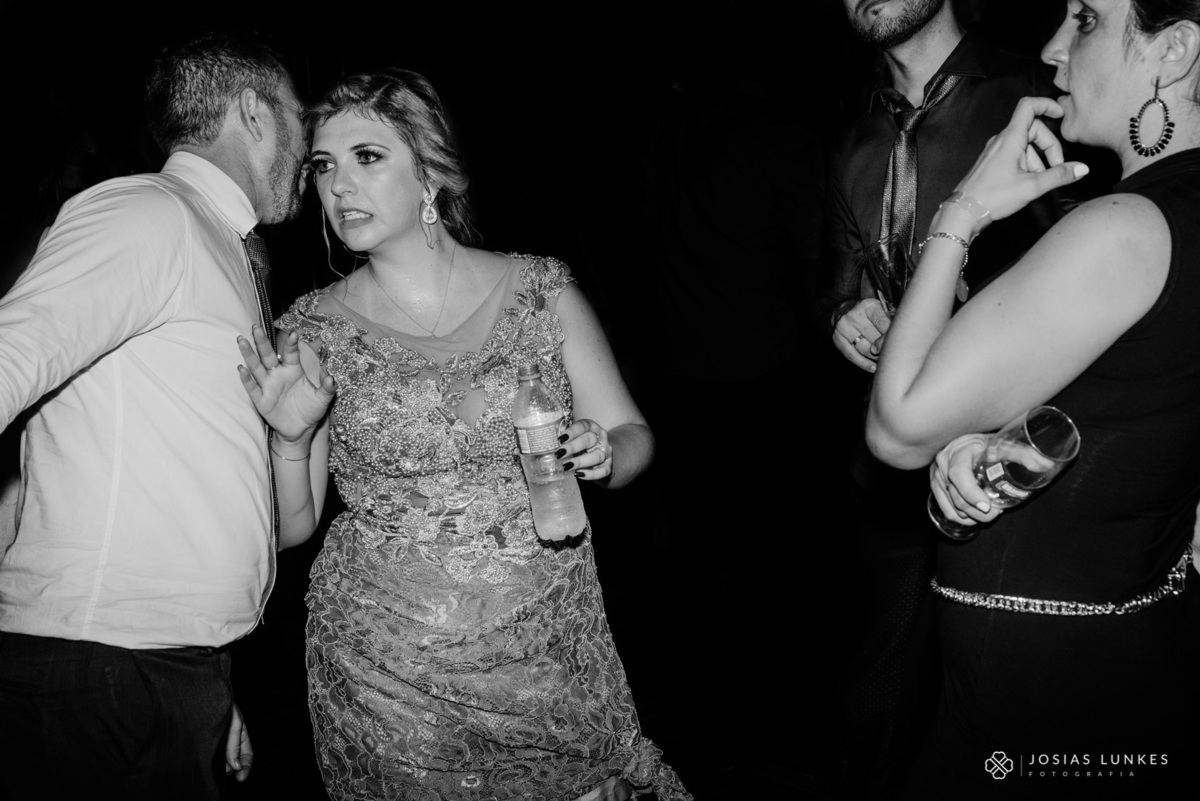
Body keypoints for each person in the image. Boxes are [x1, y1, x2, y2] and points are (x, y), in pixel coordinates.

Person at [236, 69, 690, 801]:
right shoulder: (311, 329)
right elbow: (291, 527)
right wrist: (290, 440)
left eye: (367, 157)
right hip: (387, 671)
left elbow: (632, 431)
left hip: (543, 650)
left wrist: (606, 453)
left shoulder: (540, 289)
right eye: (323, 166)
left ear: (431, 172)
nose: (338, 186)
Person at [867, 0, 1200, 796]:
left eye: (1086, 19)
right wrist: (989, 438)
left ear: (1174, 50)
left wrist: (967, 208)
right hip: (1134, 648)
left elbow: (899, 425)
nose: (1052, 47)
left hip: (1030, 686)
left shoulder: (1126, 227)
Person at [0, 33, 305, 799]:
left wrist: (208, 671)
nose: (309, 145)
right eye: (298, 117)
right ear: (253, 113)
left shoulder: (220, 242)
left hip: (163, 665)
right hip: (99, 670)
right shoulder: (147, 212)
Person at [820, 1, 1069, 796]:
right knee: (876, 688)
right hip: (891, 463)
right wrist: (842, 311)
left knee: (1008, 700)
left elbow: (1097, 263)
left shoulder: (1036, 90)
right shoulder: (853, 129)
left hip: (1018, 463)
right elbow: (840, 266)